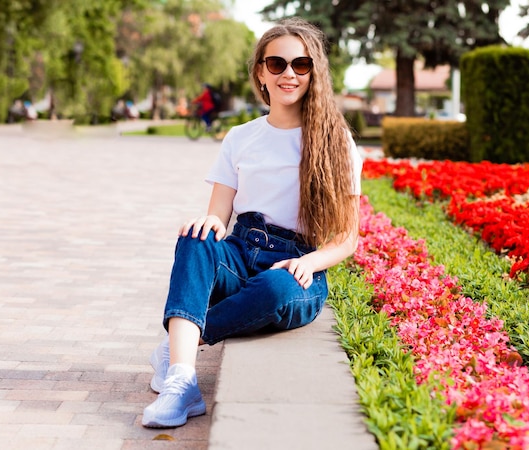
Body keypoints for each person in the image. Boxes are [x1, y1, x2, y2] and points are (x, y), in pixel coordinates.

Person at [141, 17, 363, 429]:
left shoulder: (336, 141)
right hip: (241, 249)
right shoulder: (240, 137)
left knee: (276, 285)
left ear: (314, 71)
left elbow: (348, 238)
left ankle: (180, 349)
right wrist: (205, 223)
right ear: (261, 72)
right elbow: (218, 214)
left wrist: (311, 263)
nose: (289, 74)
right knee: (194, 239)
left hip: (296, 265)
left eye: (301, 64)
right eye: (276, 64)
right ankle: (182, 383)